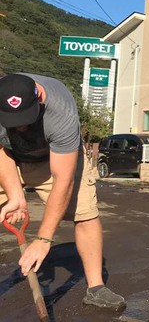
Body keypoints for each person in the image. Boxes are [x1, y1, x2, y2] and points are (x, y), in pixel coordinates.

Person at [0, 73, 126, 310]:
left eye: (25, 118)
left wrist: (44, 239)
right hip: (10, 157)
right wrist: (15, 194)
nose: (19, 126)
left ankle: (96, 288)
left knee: (85, 213)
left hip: (55, 159)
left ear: (39, 99)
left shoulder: (60, 108)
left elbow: (63, 179)